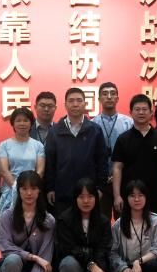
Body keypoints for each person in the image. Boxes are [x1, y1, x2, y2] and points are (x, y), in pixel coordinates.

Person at [0, 171, 54, 272]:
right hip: (11, 266)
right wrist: (33, 257)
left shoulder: (48, 220)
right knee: (12, 259)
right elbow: (5, 247)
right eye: (24, 189)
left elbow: (46, 254)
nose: (29, 193)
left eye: (33, 188)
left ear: (39, 191)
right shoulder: (7, 216)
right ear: (18, 191)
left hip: (35, 269)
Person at [44, 87, 109, 218]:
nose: (75, 104)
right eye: (71, 101)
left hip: (88, 193)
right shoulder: (55, 131)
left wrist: (101, 188)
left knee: (88, 226)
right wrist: (50, 188)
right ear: (65, 105)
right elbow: (50, 162)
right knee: (63, 226)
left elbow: (102, 161)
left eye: (79, 101)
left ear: (85, 104)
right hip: (62, 192)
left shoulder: (95, 130)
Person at [54, 178, 112, 272]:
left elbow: (102, 250)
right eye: (81, 197)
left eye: (90, 196)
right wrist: (92, 265)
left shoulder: (103, 221)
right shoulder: (64, 219)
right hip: (75, 265)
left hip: (94, 265)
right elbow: (69, 248)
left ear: (96, 198)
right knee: (68, 263)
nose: (86, 201)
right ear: (75, 198)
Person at [111, 94, 157, 216]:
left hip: (156, 195)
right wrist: (117, 195)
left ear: (151, 112)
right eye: (137, 109)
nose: (141, 112)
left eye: (144, 109)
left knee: (154, 226)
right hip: (129, 195)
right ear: (131, 112)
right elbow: (117, 168)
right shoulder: (123, 139)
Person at [94, 82, 134, 218]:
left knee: (123, 221)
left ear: (117, 98)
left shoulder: (129, 123)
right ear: (99, 99)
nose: (109, 97)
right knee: (101, 221)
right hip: (101, 183)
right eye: (105, 94)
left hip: (124, 181)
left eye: (112, 93)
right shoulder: (92, 124)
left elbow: (132, 153)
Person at [0, 106, 45, 214]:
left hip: (31, 192)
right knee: (9, 221)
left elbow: (40, 171)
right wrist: (17, 188)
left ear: (31, 123)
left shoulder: (38, 145)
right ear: (13, 123)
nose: (22, 124)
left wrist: (29, 189)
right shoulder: (4, 145)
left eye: (25, 120)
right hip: (10, 191)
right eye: (18, 120)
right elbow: (4, 170)